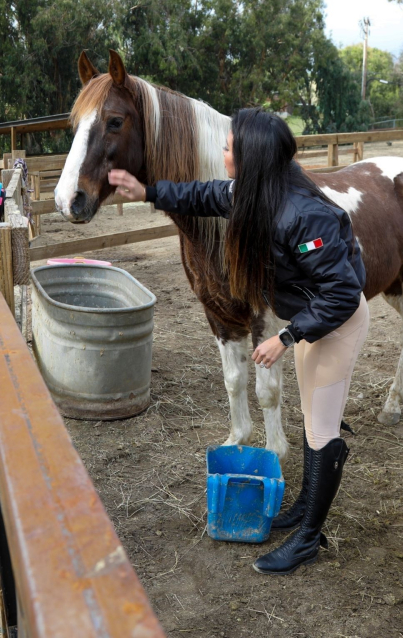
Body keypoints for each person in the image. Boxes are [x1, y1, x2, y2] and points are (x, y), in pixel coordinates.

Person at [108, 107, 369, 575]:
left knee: (322, 430)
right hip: (312, 321)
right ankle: (304, 508)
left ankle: (308, 538)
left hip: (336, 324)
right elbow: (203, 195)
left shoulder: (306, 216)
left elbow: (344, 293)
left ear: (251, 158)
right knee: (311, 420)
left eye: (228, 148)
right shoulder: (252, 191)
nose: (222, 153)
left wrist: (286, 337)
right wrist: (148, 191)